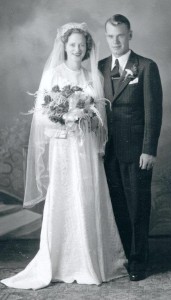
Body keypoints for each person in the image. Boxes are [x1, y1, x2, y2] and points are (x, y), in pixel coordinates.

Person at [1, 22, 127, 290]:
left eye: (82, 45)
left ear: (87, 48)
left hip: (87, 149)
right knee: (66, 196)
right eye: (73, 45)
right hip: (63, 148)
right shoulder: (54, 75)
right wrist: (67, 118)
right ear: (65, 47)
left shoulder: (93, 77)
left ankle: (90, 260)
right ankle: (60, 260)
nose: (77, 49)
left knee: (87, 196)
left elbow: (101, 118)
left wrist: (86, 119)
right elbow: (42, 118)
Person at [98, 14, 163, 281]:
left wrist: (149, 149)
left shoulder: (146, 67)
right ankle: (124, 257)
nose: (116, 41)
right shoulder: (100, 66)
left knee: (138, 207)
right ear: (106, 37)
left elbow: (153, 112)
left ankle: (139, 263)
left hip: (137, 152)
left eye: (121, 35)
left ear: (130, 35)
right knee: (118, 207)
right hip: (108, 151)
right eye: (111, 36)